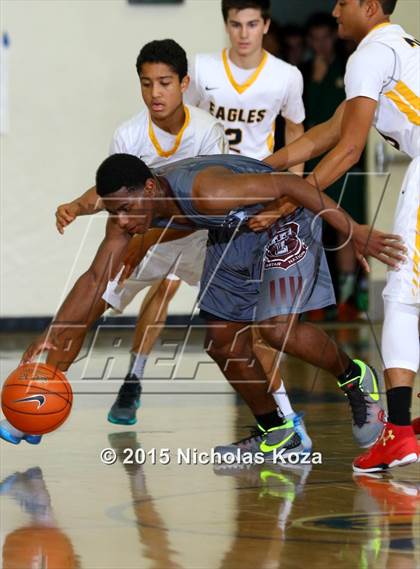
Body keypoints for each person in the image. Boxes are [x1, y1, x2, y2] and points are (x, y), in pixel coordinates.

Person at [6, 152, 405, 463]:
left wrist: (355, 230)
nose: (123, 222)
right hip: (231, 232)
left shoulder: (207, 191)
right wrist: (50, 344)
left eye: (127, 209)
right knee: (222, 342)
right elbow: (95, 280)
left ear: (149, 187)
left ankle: (355, 377)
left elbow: (290, 184)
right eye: (114, 213)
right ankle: (276, 433)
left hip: (284, 218)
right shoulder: (125, 216)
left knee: (276, 329)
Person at [264, 0, 419, 471]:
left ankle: (397, 433)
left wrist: (294, 197)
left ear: (370, 7)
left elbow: (350, 149)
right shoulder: (400, 45)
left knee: (402, 297)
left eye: (343, 2)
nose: (334, 10)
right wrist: (258, 172)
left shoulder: (369, 55)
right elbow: (327, 133)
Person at [54, 39, 228, 427]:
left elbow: (203, 212)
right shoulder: (129, 135)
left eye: (164, 83)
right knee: (90, 306)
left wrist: (146, 238)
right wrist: (78, 207)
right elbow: (110, 192)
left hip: (202, 238)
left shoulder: (207, 132)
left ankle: (281, 415)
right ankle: (45, 390)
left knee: (246, 328)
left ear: (184, 84)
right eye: (147, 83)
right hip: (149, 238)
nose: (155, 93)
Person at [186, 0, 308, 435]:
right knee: (228, 328)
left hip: (259, 205)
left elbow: (296, 134)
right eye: (235, 24)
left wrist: (289, 198)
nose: (243, 33)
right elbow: (187, 124)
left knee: (260, 325)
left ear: (266, 25)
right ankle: (280, 423)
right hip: (212, 203)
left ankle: (283, 422)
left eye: (252, 24)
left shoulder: (285, 76)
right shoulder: (201, 70)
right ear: (226, 25)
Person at [303, 12, 366, 321]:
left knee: (345, 230)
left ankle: (348, 298)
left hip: (344, 161)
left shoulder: (350, 70)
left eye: (325, 37)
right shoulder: (302, 74)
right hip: (313, 161)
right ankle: (314, 299)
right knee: (313, 232)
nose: (320, 44)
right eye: (314, 39)